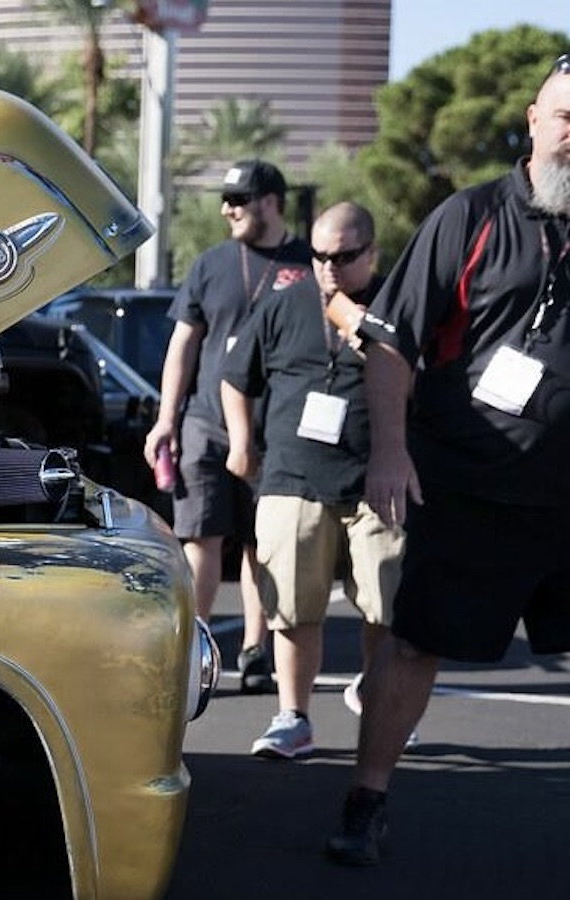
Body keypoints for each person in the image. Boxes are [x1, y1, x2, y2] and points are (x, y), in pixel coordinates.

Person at [326, 56, 570, 866]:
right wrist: (389, 454)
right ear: (532, 120)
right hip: (470, 486)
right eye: (565, 117)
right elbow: (390, 342)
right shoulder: (470, 218)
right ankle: (367, 801)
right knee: (417, 643)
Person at [220, 202, 403, 760]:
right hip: (293, 476)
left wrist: (365, 333)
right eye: (320, 255)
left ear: (371, 253)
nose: (329, 268)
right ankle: (292, 717)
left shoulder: (397, 305)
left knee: (386, 604)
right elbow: (235, 378)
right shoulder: (282, 304)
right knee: (292, 607)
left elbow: (423, 380)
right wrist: (241, 442)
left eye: (344, 257)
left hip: (375, 477)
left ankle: (381, 703)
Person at [144, 158, 312, 692]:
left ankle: (255, 650)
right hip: (204, 423)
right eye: (226, 199)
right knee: (201, 535)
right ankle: (191, 647)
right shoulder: (212, 263)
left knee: (263, 544)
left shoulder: (307, 264)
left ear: (271, 202)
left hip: (275, 430)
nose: (227, 209)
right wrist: (165, 419)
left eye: (239, 200)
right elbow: (183, 344)